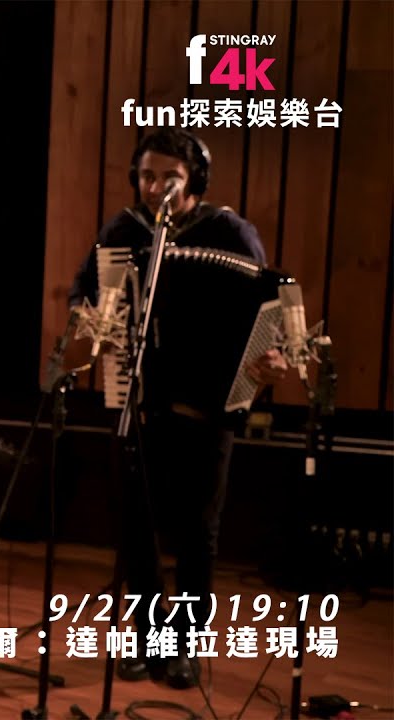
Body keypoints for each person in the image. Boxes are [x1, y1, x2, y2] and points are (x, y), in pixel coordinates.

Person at [69, 128, 287, 689]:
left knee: (198, 533)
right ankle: (148, 639)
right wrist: (97, 326)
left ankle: (185, 646)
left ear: (195, 181)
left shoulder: (232, 234)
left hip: (210, 407)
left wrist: (272, 354)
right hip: (139, 399)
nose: (155, 187)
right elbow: (84, 293)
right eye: (147, 175)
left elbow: (270, 309)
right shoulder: (124, 231)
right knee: (137, 527)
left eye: (170, 177)